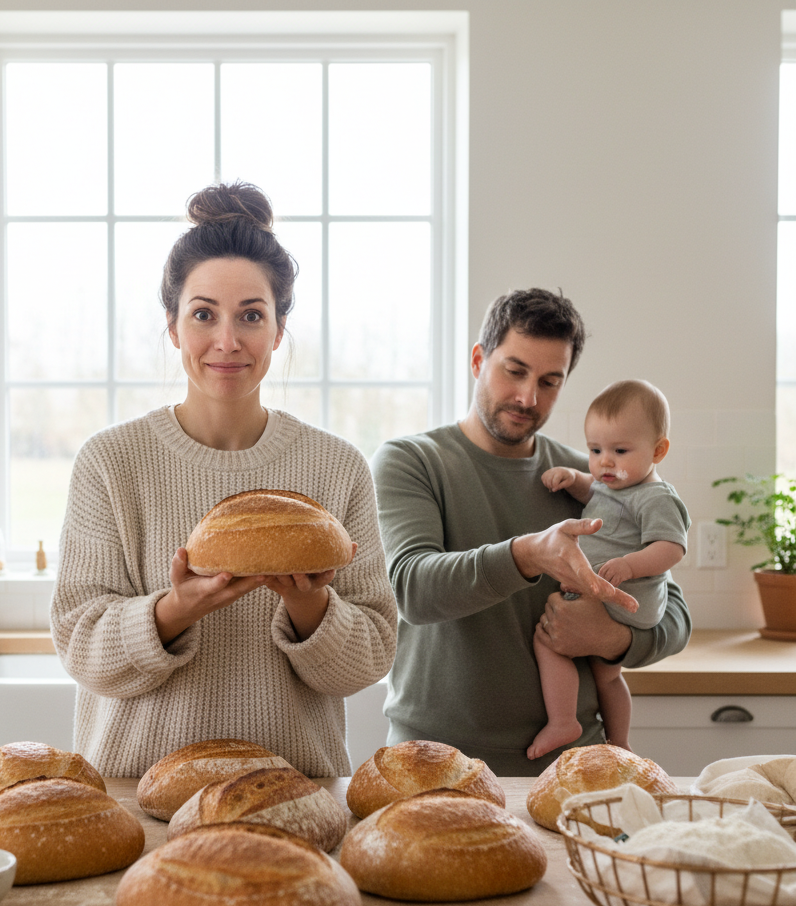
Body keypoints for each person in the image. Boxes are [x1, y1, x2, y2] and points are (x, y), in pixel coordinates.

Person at [51, 181, 397, 779]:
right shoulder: (111, 462)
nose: (227, 341)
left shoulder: (337, 468)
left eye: (252, 316)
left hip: (294, 794)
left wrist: (309, 603)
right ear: (173, 326)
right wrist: (173, 611)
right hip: (138, 796)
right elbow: (80, 647)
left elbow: (370, 658)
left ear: (279, 331)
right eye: (204, 314)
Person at [370, 288, 691, 776]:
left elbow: (676, 616)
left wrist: (612, 640)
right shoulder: (412, 462)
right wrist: (526, 555)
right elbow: (413, 589)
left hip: (574, 764)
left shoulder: (591, 477)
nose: (528, 397)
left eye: (549, 381)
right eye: (514, 371)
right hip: (435, 762)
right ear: (479, 360)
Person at [527, 379, 690, 760]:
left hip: (625, 597)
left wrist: (630, 565)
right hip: (609, 594)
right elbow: (594, 493)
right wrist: (574, 479)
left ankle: (563, 720)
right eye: (595, 450)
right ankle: (620, 741)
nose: (605, 462)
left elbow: (671, 548)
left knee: (548, 641)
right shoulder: (613, 485)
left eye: (619, 450)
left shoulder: (655, 497)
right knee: (607, 674)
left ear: (658, 450)